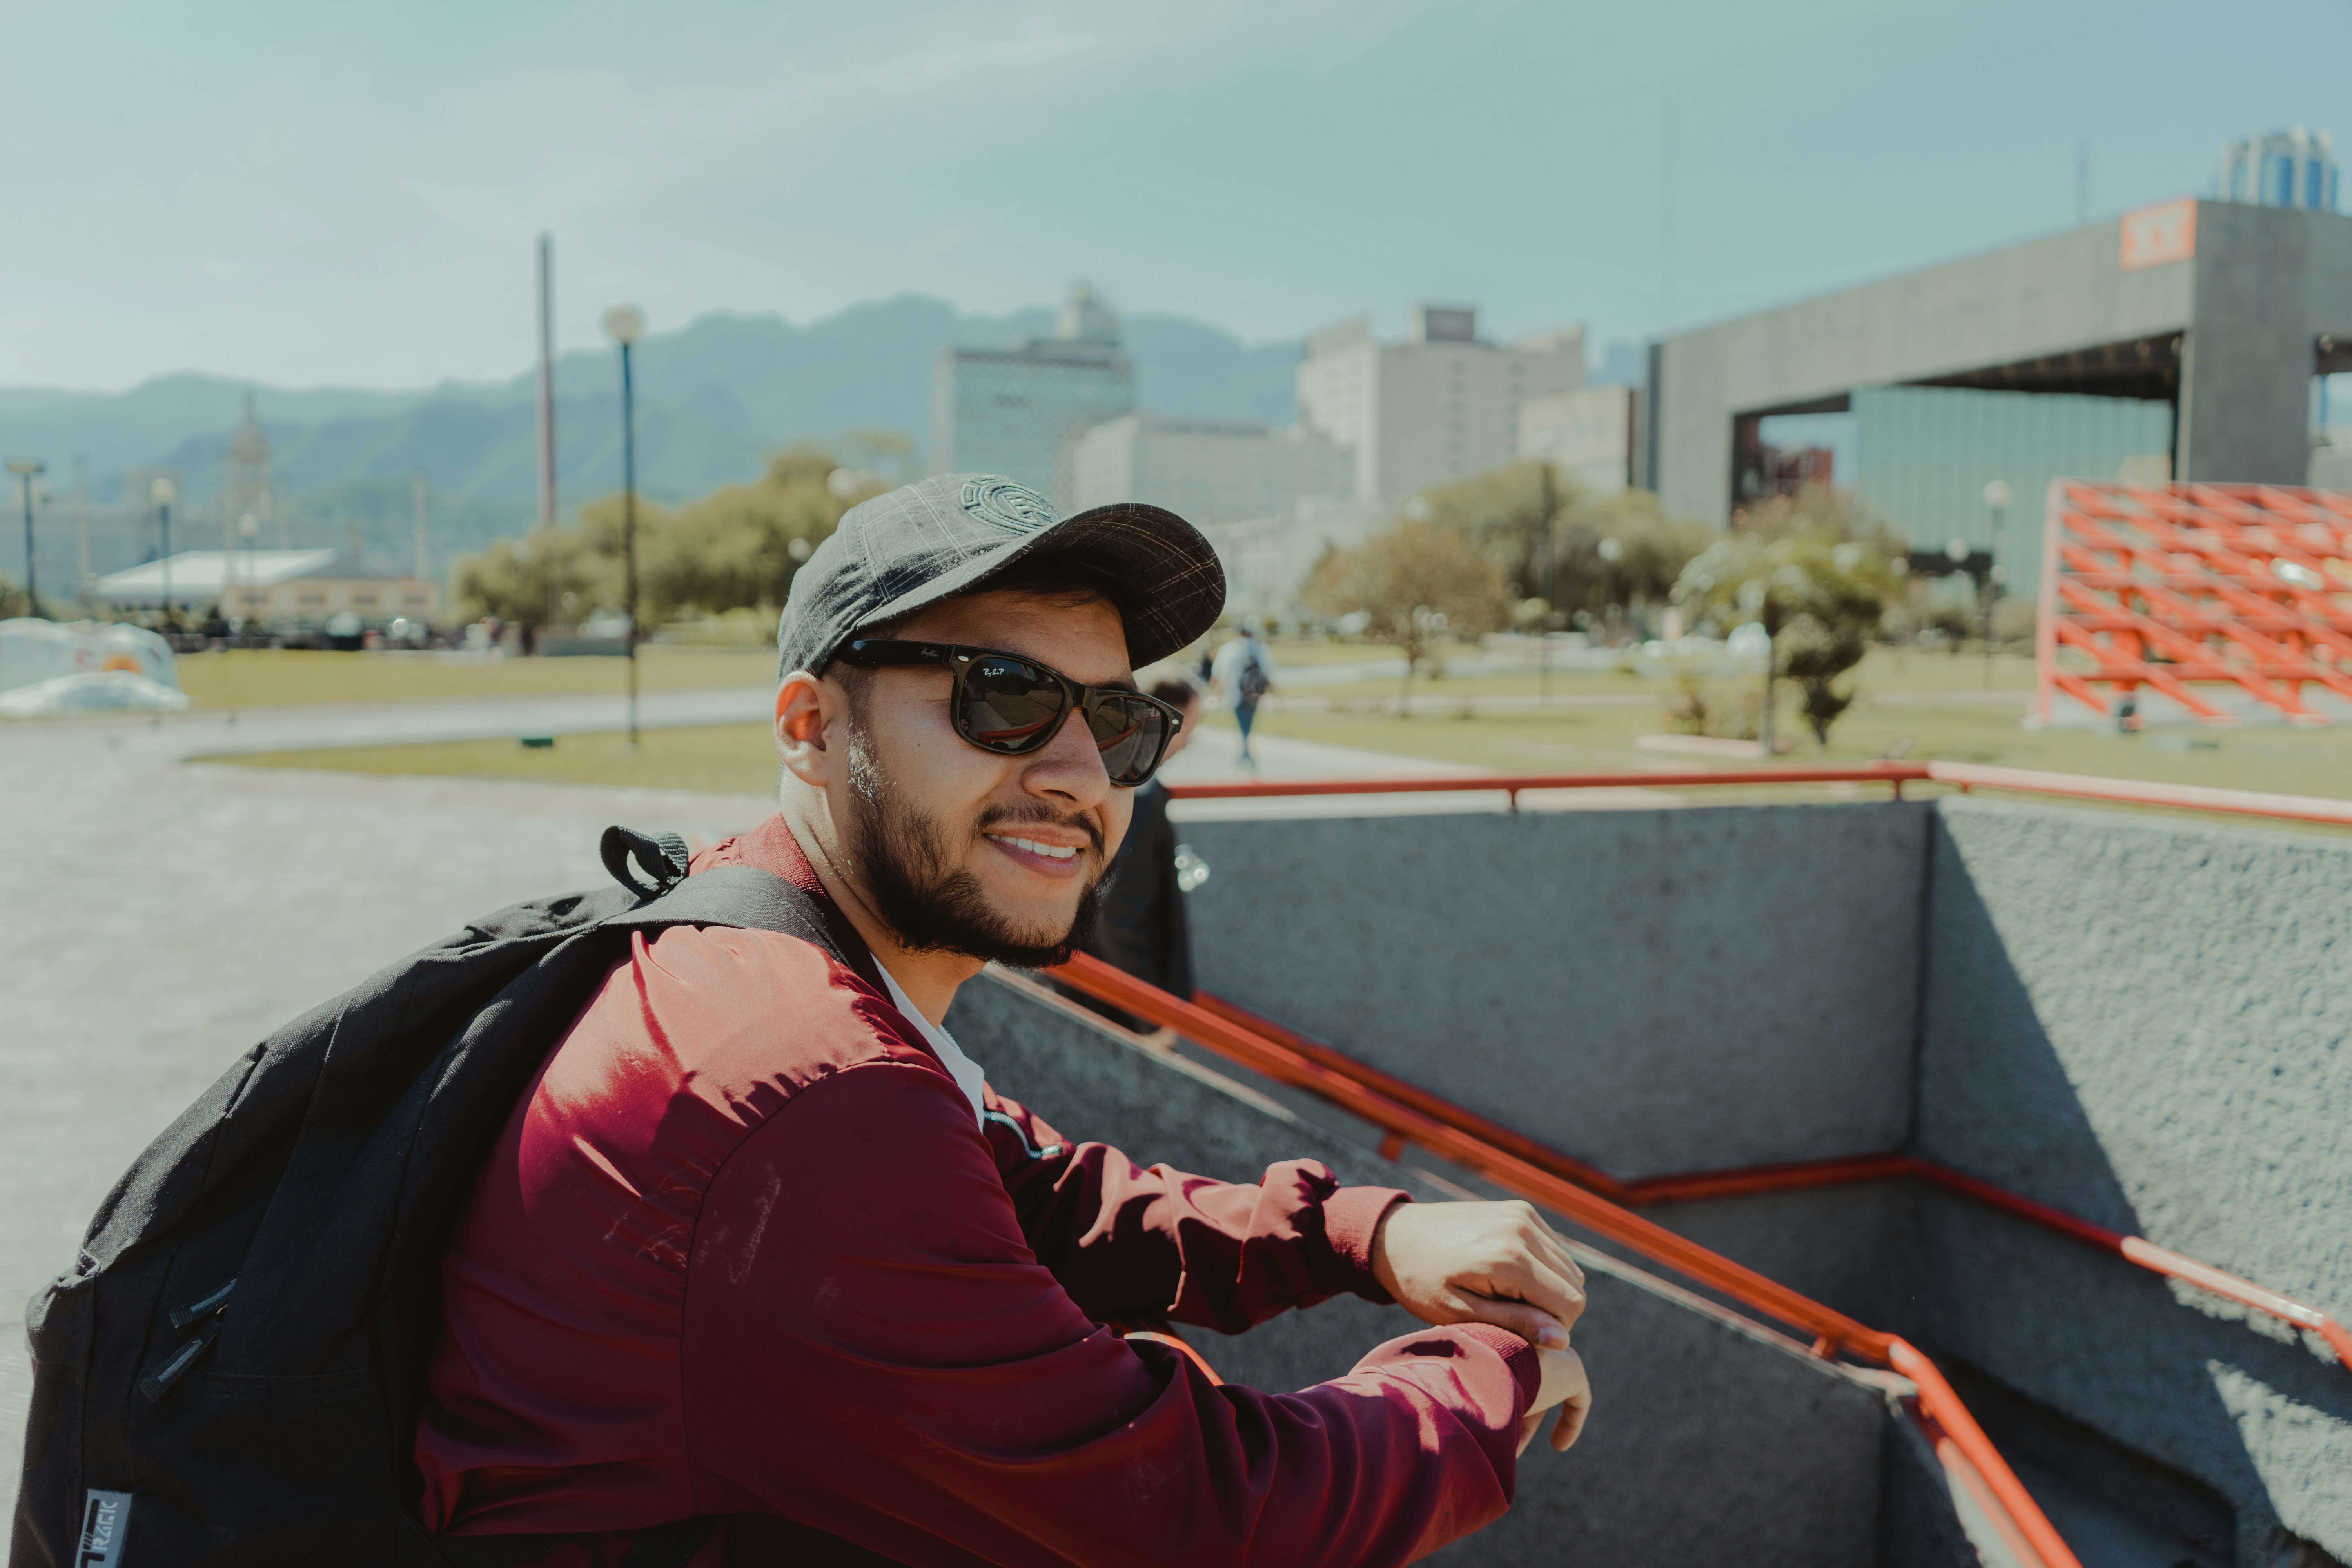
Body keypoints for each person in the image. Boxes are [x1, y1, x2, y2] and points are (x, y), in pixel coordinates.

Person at [415, 473, 1592, 1566]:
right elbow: (1193, 1516)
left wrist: (1357, 1233)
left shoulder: (769, 941)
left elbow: (1035, 1188)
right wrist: (1497, 1370)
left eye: (1121, 721)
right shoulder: (805, 1089)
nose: (1083, 772)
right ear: (808, 726)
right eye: (1006, 696)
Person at [1059, 673, 1202, 1036]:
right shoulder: (1138, 795)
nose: (1190, 742)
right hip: (1116, 1010)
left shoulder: (1128, 785)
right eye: (1190, 727)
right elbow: (1120, 913)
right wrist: (1150, 1019)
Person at [1212, 621, 1275, 768]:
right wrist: (1276, 695)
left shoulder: (1229, 649)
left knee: (1242, 725)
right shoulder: (1260, 649)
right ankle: (1246, 754)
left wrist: (1215, 694)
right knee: (1248, 725)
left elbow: (1218, 674)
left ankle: (1245, 755)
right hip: (1254, 695)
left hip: (1234, 695)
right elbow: (1268, 673)